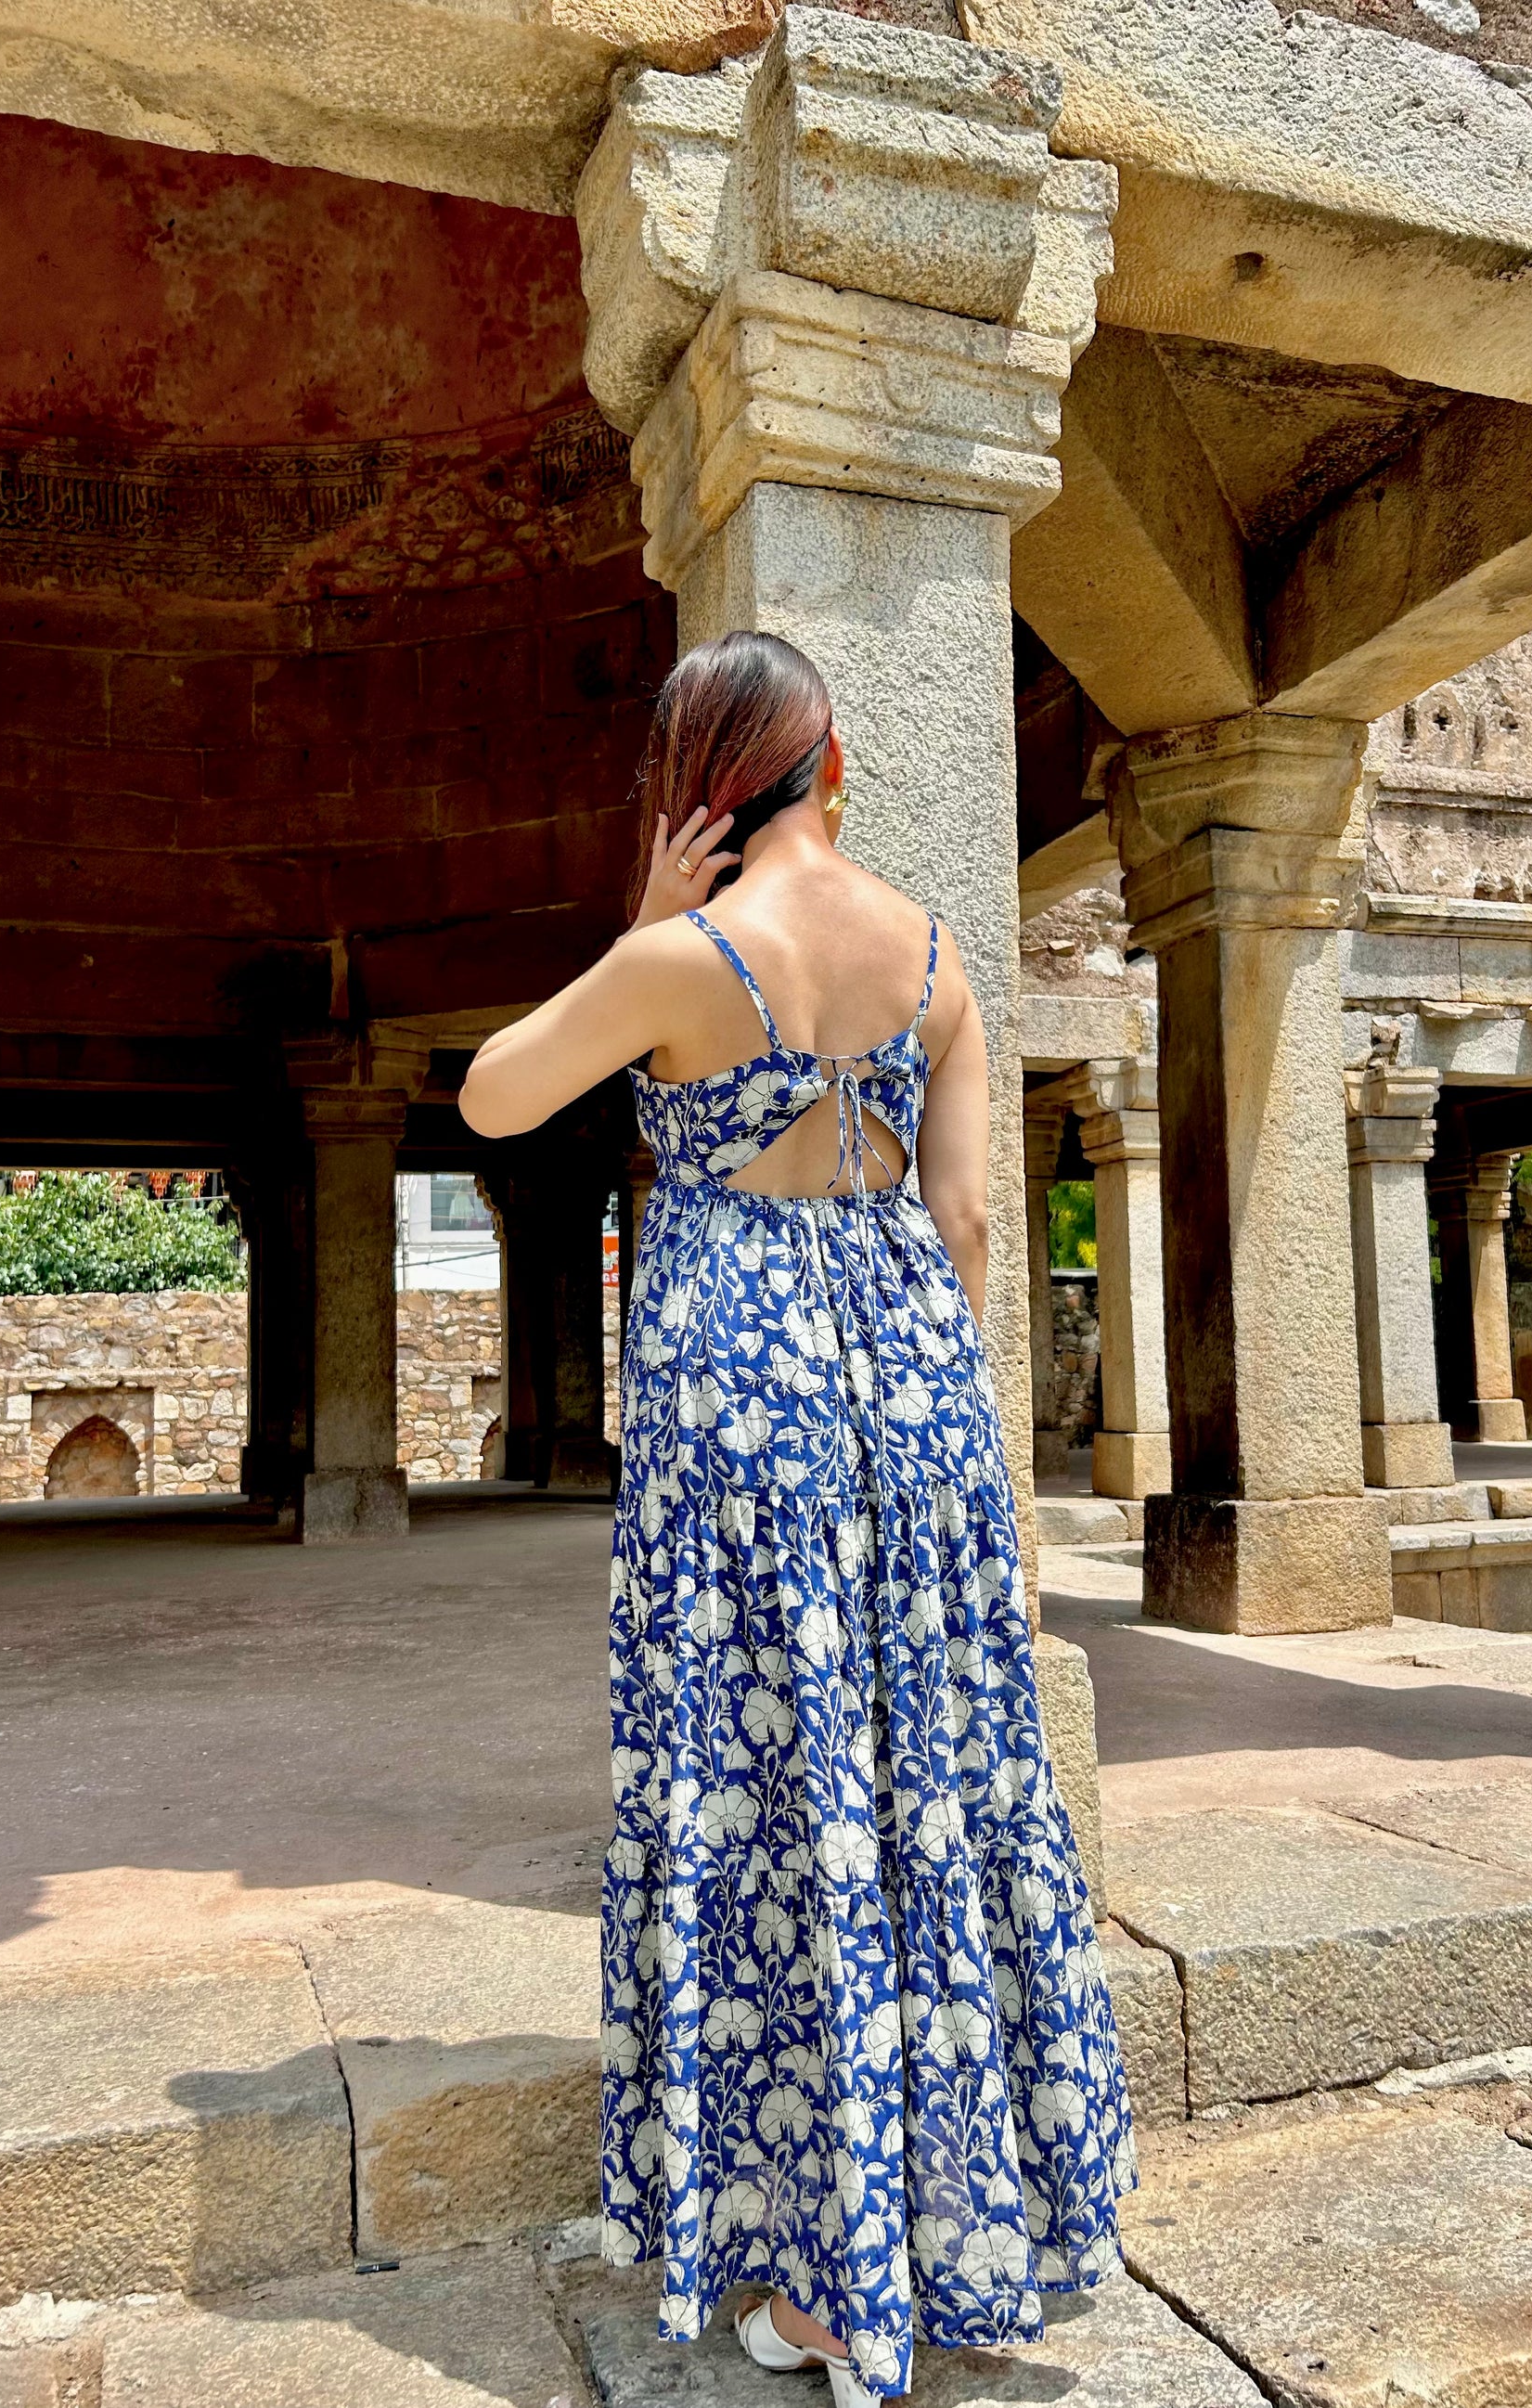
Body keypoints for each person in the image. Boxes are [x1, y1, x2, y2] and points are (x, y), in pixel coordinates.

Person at [460, 632, 1134, 2403]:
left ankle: (822, 2278)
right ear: (833, 767)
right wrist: (924, 1414)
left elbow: (493, 1092)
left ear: (695, 783)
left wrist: (638, 919)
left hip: (737, 1401)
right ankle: (962, 2226)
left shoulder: (681, 957)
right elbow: (969, 1222)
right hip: (916, 1385)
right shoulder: (937, 953)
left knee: (774, 1804)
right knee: (934, 1790)